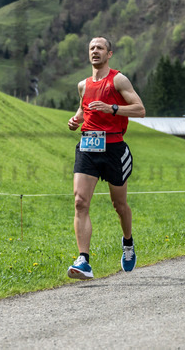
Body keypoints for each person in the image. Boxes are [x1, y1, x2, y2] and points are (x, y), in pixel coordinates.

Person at [66, 37, 146, 279]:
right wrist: (76, 119)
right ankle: (84, 261)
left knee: (119, 205)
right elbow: (84, 107)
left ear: (109, 53)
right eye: (91, 48)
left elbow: (140, 109)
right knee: (80, 202)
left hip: (113, 149)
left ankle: (128, 243)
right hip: (88, 147)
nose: (95, 51)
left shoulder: (118, 80)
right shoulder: (83, 85)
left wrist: (113, 108)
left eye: (100, 48)